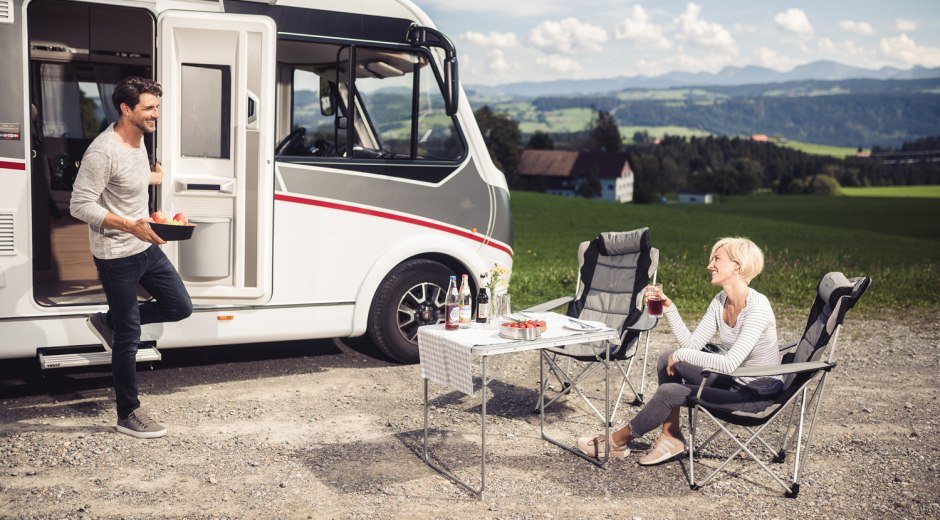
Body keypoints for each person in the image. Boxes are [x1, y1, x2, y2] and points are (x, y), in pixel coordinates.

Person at [577, 237, 782, 465]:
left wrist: (681, 355)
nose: (709, 265)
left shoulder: (758, 307)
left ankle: (617, 442)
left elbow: (729, 363)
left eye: (716, 259)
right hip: (734, 381)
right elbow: (691, 345)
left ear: (738, 266)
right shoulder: (720, 300)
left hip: (753, 395)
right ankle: (671, 436)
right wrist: (670, 309)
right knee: (666, 358)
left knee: (671, 391)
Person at [70, 76, 192, 439]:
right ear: (126, 109)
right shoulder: (102, 151)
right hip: (116, 254)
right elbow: (80, 204)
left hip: (145, 245)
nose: (156, 114)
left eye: (157, 106)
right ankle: (128, 413)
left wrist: (155, 178)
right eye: (149, 108)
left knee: (180, 306)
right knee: (130, 335)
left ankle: (109, 321)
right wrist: (128, 225)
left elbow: (128, 179)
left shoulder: (139, 139)